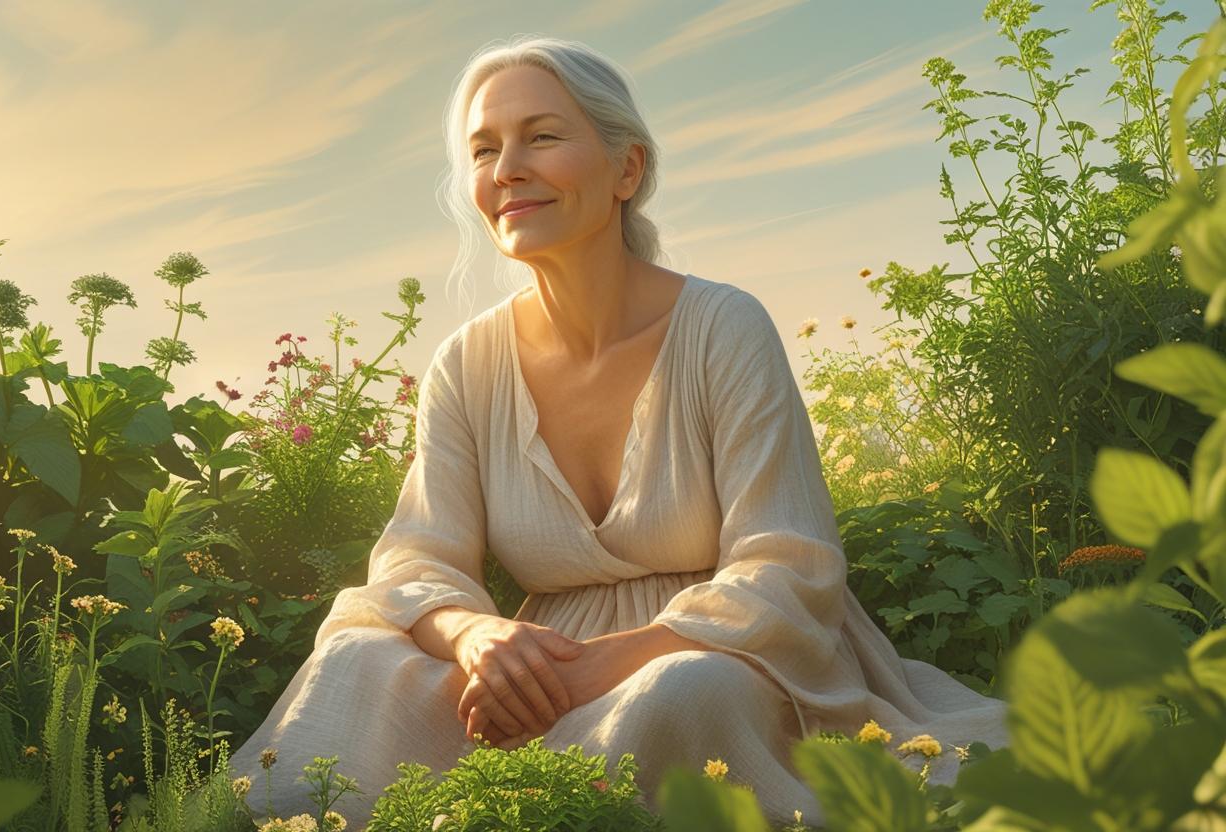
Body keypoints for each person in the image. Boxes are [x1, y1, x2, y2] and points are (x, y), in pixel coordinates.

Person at [228, 34, 1010, 827]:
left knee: (684, 694)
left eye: (542, 136)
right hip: (543, 669)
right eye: (484, 149)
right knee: (358, 658)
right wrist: (477, 639)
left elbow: (789, 563)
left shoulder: (723, 327)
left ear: (627, 170)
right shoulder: (466, 364)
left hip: (725, 654)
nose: (506, 171)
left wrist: (601, 667)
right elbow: (415, 559)